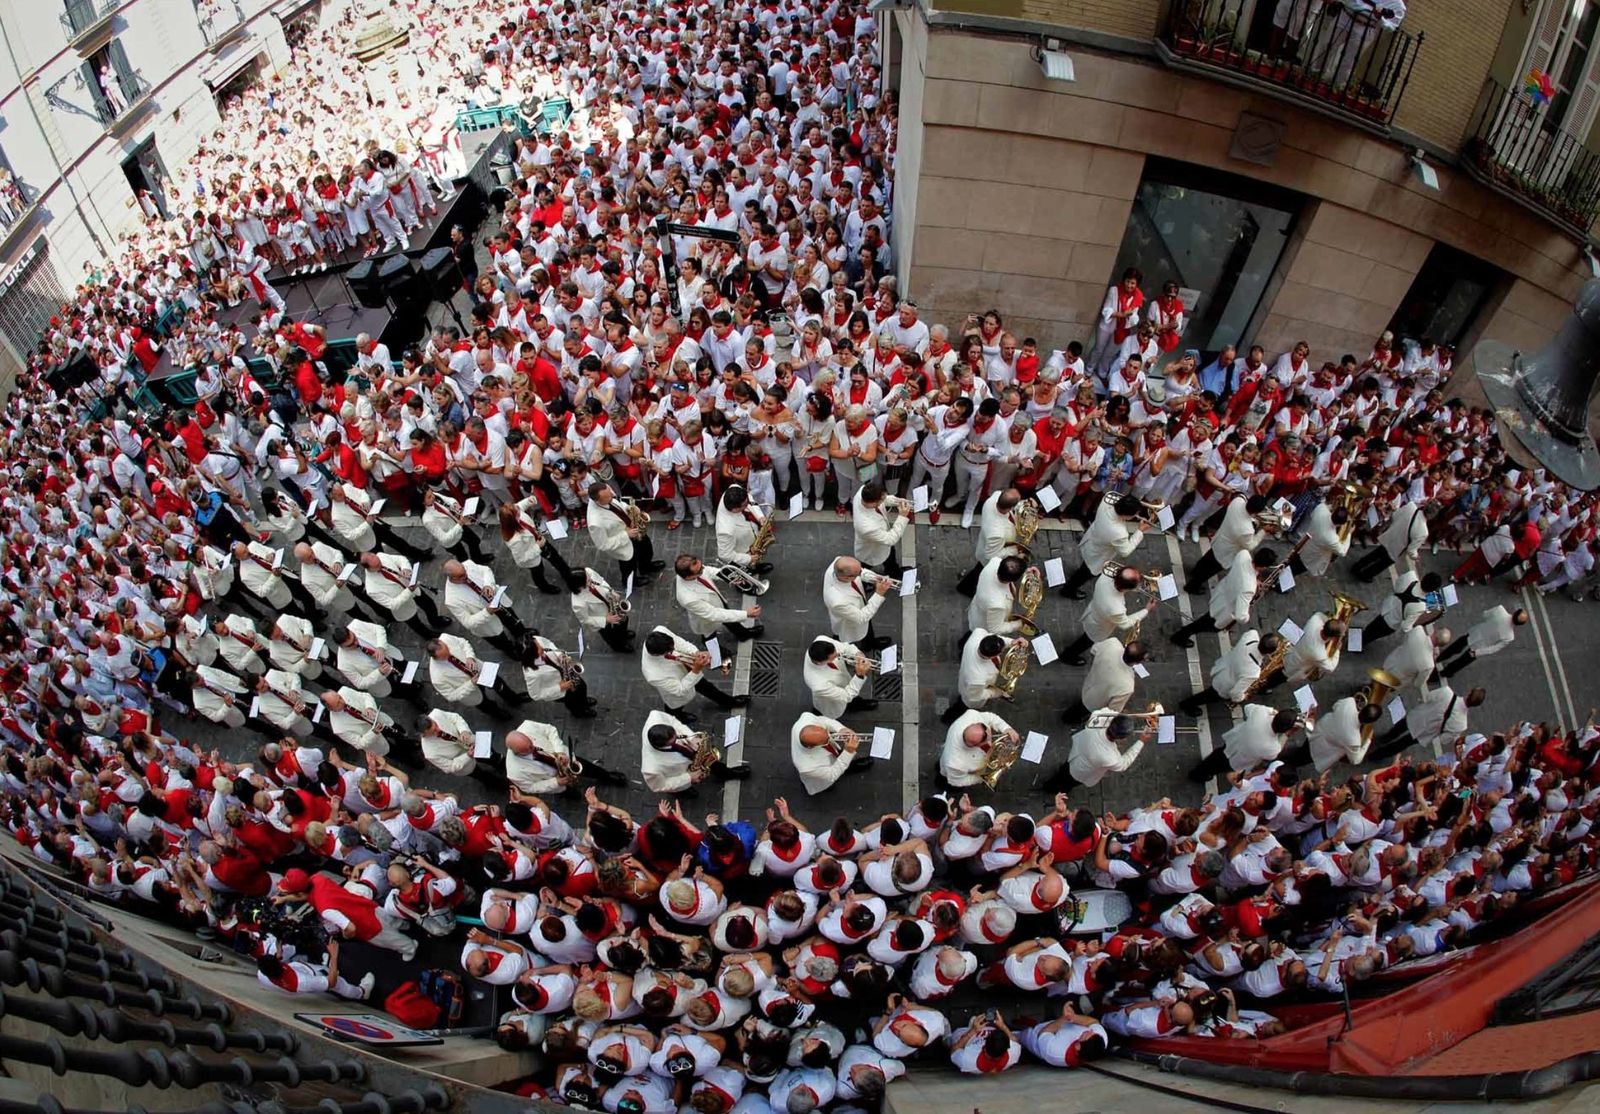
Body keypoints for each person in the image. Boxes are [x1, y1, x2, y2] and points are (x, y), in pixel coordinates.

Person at [1170, 548, 1277, 649]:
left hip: (1221, 593)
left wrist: (1255, 581)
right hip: (1223, 610)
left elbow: (1244, 573)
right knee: (1202, 625)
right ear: (1263, 567)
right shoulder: (1249, 588)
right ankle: (1180, 636)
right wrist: (1247, 613)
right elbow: (1241, 616)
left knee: (1203, 622)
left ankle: (1182, 634)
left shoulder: (1243, 555)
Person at [641, 626, 748, 719]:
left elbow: (680, 643)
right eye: (669, 651)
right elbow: (680, 690)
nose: (673, 650)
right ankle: (676, 716)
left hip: (687, 670)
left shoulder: (660, 631)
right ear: (657, 655)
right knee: (674, 706)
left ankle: (727, 702)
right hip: (678, 685)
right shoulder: (653, 675)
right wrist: (696, 670)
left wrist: (696, 653)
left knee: (707, 687)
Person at [1061, 564, 1155, 664]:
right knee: (1086, 641)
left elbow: (1122, 583)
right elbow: (1125, 624)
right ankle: (1068, 655)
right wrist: (1146, 610)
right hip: (1098, 626)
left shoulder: (1106, 576)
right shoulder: (1116, 608)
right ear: (1126, 588)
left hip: (1093, 612)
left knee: (1086, 638)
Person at [641, 709, 751, 793]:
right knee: (682, 791)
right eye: (674, 741)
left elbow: (674, 722)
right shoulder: (651, 768)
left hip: (692, 753)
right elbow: (660, 785)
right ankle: (685, 792)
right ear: (663, 745)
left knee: (713, 762)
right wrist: (688, 778)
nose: (679, 738)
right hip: (681, 773)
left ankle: (727, 773)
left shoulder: (655, 716)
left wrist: (691, 738)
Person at [1060, 495, 1148, 599]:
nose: (1136, 516)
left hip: (1091, 539)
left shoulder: (1107, 499)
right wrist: (1140, 531)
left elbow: (1116, 496)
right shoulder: (1119, 533)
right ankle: (1068, 590)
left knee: (1084, 569)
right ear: (1126, 515)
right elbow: (1125, 551)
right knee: (1084, 574)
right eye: (1134, 514)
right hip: (1096, 556)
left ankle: (1072, 583)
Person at [1367, 685, 1485, 763]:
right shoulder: (1462, 724)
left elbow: (1428, 698)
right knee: (1401, 744)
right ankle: (1376, 756)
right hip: (1424, 734)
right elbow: (1444, 739)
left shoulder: (1446, 692)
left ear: (1469, 692)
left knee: (1397, 729)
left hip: (1417, 717)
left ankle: (1383, 739)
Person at [1041, 711, 1150, 794]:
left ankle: (1052, 784)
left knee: (1063, 771)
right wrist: (1141, 742)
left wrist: (1123, 716)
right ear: (1122, 738)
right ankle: (1051, 789)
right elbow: (1123, 764)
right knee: (1065, 783)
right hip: (1079, 772)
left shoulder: (1096, 721)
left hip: (1075, 754)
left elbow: (1104, 711)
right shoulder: (1110, 757)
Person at [1189, 705, 1301, 781]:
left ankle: (1201, 771)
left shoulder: (1261, 713)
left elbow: (1248, 707)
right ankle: (1197, 775)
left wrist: (1271, 711)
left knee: (1216, 756)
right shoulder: (1271, 747)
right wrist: (1287, 735)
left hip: (1232, 743)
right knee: (1218, 767)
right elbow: (1274, 754)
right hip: (1237, 760)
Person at [1179, 631, 1279, 716]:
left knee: (1208, 694)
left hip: (1222, 668)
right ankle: (1186, 704)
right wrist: (1243, 697)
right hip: (1224, 686)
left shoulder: (1251, 635)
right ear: (1269, 653)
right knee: (1206, 696)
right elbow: (1235, 693)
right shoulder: (1253, 672)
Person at [586, 481, 663, 587]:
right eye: (608, 497)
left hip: (633, 529)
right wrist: (626, 535)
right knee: (629, 566)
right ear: (597, 501)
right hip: (623, 543)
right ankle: (630, 582)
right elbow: (603, 545)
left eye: (610, 493)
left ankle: (646, 567)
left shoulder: (606, 495)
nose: (613, 496)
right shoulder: (596, 522)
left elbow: (618, 504)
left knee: (646, 548)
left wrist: (629, 508)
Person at [673, 555, 764, 643]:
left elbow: (708, 571)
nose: (703, 569)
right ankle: (719, 652)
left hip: (717, 602)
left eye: (701, 566)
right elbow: (714, 614)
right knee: (709, 635)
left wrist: (729, 577)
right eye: (699, 570)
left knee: (729, 618)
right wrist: (746, 614)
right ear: (688, 577)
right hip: (706, 619)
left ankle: (743, 634)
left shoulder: (695, 568)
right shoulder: (688, 599)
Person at [939, 632, 1025, 724]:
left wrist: (1012, 642)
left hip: (969, 677)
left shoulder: (977, 635)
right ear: (994, 655)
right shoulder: (976, 679)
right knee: (962, 706)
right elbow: (975, 697)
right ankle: (948, 719)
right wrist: (997, 692)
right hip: (970, 696)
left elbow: (994, 638)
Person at [1060, 639, 1147, 725]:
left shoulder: (1112, 643)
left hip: (1090, 682)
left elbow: (1094, 649)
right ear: (1138, 662)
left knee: (1081, 705)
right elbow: (1113, 709)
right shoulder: (1127, 686)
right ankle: (1068, 719)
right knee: (1080, 711)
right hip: (1095, 702)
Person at [957, 489, 1025, 596]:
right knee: (979, 572)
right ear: (1010, 508)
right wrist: (1013, 550)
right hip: (987, 555)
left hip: (986, 543)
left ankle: (966, 586)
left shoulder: (996, 496)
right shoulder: (997, 533)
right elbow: (990, 555)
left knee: (977, 572)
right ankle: (967, 589)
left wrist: (1024, 504)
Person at [791, 713, 873, 795]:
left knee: (839, 756)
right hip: (821, 774)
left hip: (829, 756)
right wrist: (848, 752)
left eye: (827, 732)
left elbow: (824, 721)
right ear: (810, 747)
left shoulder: (806, 718)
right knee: (827, 783)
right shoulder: (807, 767)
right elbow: (832, 774)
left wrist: (841, 729)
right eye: (826, 741)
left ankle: (845, 760)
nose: (830, 737)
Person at [823, 556, 895, 651]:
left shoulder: (838, 562)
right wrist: (879, 594)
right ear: (846, 577)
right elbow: (862, 618)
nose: (861, 573)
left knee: (867, 627)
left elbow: (861, 571)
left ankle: (870, 643)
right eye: (858, 574)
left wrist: (874, 578)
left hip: (857, 605)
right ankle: (847, 651)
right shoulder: (838, 601)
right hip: (850, 621)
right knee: (851, 635)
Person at [1437, 606, 1527, 678]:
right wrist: (1478, 653)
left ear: (1515, 612)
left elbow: (1485, 615)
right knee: (1461, 662)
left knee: (1455, 647)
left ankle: (1440, 657)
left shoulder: (1500, 610)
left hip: (1475, 633)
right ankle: (1446, 672)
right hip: (1480, 648)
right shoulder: (1510, 636)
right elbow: (1494, 649)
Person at [939, 709, 1019, 789]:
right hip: (953, 772)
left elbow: (990, 718)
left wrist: (1006, 728)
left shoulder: (972, 715)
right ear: (976, 745)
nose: (990, 737)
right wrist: (984, 777)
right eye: (986, 740)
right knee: (946, 782)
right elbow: (957, 781)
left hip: (966, 762)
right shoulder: (955, 764)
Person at [1351, 499, 1428, 582]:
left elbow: (1395, 515)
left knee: (1374, 554)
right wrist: (1415, 557)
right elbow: (1411, 550)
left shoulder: (1411, 506)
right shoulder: (1423, 531)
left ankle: (1357, 566)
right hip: (1397, 548)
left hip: (1390, 536)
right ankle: (1366, 575)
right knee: (1381, 564)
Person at [803, 636, 878, 718]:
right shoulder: (818, 684)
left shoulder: (821, 639)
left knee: (853, 696)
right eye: (834, 657)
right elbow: (846, 696)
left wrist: (858, 654)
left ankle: (857, 704)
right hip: (830, 699)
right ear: (819, 663)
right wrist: (859, 675)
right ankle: (819, 715)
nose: (838, 655)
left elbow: (844, 647)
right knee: (827, 709)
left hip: (842, 681)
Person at [569, 568, 635, 653]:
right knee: (611, 636)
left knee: (623, 621)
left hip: (609, 605)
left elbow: (601, 581)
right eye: (588, 581)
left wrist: (611, 592)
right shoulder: (578, 603)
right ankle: (619, 647)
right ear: (579, 586)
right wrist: (606, 619)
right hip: (602, 619)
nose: (591, 581)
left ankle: (623, 634)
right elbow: (585, 619)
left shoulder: (588, 572)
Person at [852, 481, 911, 576]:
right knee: (865, 568)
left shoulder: (863, 492)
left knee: (890, 558)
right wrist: (902, 517)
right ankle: (864, 582)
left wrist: (898, 501)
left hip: (882, 544)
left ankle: (894, 572)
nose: (884, 499)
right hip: (871, 551)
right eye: (882, 499)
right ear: (875, 502)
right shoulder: (866, 527)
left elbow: (885, 499)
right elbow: (890, 539)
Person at [714, 486, 775, 575]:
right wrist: (748, 558)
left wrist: (760, 517)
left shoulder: (734, 488)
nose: (748, 505)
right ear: (735, 509)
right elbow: (724, 555)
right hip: (743, 552)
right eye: (745, 505)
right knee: (746, 573)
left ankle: (757, 566)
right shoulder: (725, 530)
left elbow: (749, 499)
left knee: (757, 560)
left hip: (751, 535)